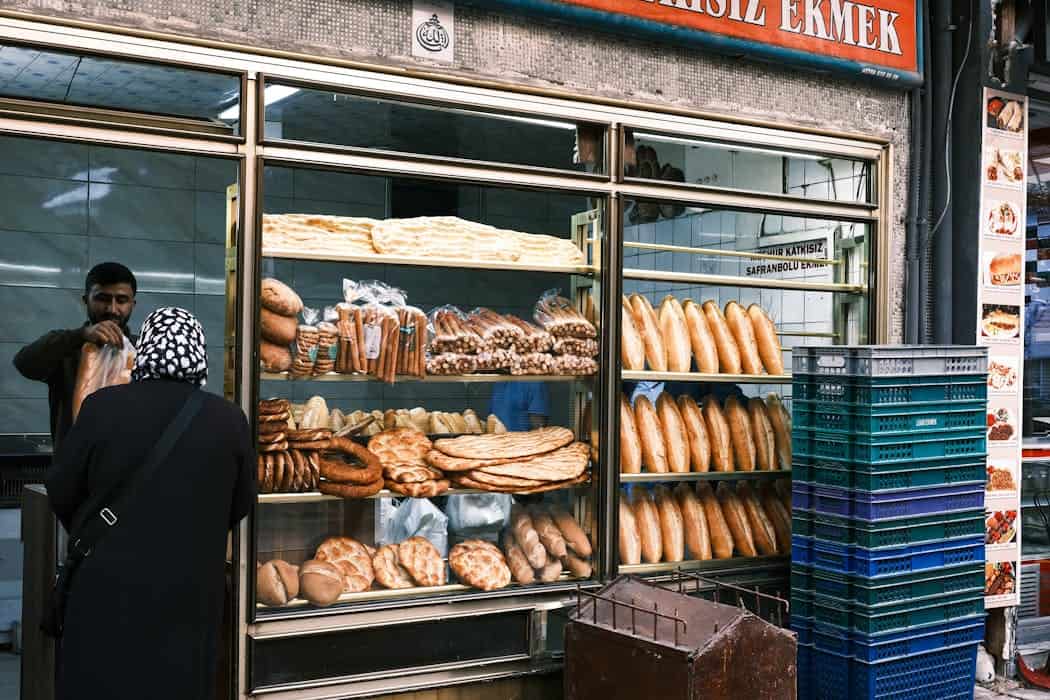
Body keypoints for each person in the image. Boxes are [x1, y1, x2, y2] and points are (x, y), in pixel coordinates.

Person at [46, 307, 256, 700]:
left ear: (144, 351)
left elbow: (61, 489)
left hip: (107, 591)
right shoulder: (229, 420)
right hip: (190, 595)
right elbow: (241, 503)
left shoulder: (102, 406)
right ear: (199, 354)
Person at [14, 262, 138, 447]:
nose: (112, 309)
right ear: (86, 300)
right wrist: (79, 336)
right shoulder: (66, 349)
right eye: (102, 299)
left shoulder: (144, 349)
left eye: (121, 301)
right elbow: (24, 363)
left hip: (127, 468)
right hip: (74, 469)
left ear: (132, 304)